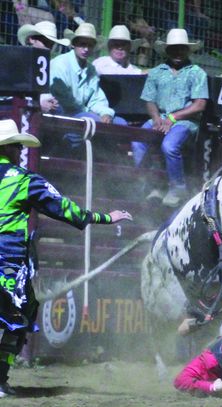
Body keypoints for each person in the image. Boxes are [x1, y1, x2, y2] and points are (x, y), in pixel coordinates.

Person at [0, 119, 132, 398]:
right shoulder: (25, 181)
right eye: (18, 147)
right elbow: (65, 209)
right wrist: (105, 217)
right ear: (12, 149)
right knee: (16, 318)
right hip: (7, 262)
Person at [131, 28, 208, 207]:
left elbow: (199, 105)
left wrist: (172, 118)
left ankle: (177, 187)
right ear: (167, 50)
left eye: (181, 48)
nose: (178, 52)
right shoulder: (157, 72)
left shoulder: (197, 73)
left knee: (170, 146)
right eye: (174, 48)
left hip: (186, 121)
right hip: (161, 117)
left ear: (187, 50)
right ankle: (147, 182)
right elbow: (149, 100)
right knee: (137, 141)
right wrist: (157, 117)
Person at [49, 22, 128, 147]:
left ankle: (109, 159)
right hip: (62, 116)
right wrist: (93, 113)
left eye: (89, 45)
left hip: (83, 115)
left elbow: (96, 98)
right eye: (82, 44)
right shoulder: (60, 64)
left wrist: (105, 113)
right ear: (74, 44)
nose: (86, 49)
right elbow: (65, 102)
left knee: (121, 124)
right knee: (96, 122)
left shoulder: (91, 69)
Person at [16, 20, 70, 114]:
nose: (48, 48)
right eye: (45, 42)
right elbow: (11, 98)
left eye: (51, 45)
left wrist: (50, 102)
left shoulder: (44, 65)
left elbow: (42, 93)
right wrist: (38, 104)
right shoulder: (18, 63)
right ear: (32, 39)